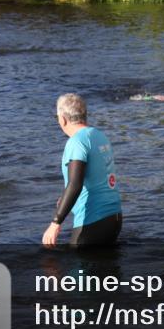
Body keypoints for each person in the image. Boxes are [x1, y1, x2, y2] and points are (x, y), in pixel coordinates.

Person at [42, 93, 122, 248]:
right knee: (106, 270)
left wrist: (55, 223)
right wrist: (65, 197)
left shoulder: (76, 142)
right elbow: (96, 175)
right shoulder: (99, 135)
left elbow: (75, 184)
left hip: (92, 221)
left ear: (63, 119)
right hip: (114, 218)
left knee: (77, 270)